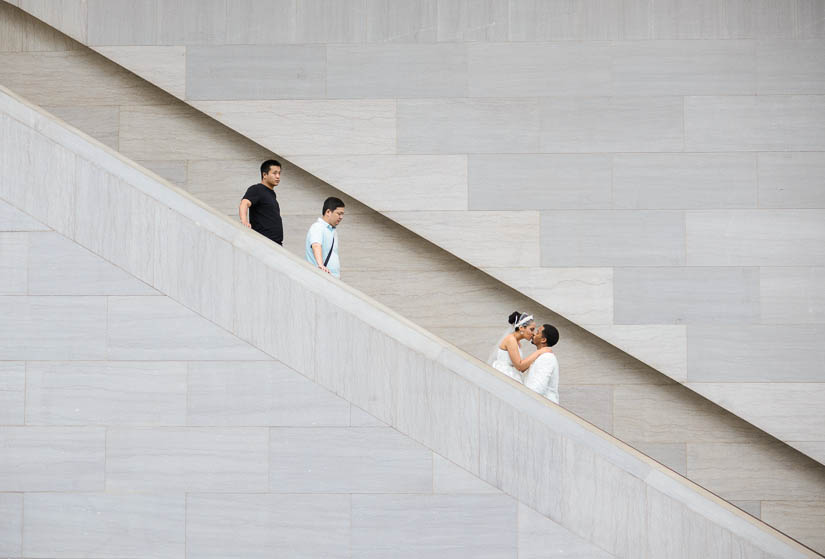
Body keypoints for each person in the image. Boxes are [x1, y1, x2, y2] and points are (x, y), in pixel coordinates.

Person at [490, 311, 552, 383]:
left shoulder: (517, 342)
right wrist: (539, 352)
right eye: (531, 329)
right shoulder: (511, 340)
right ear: (521, 328)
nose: (533, 333)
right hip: (504, 374)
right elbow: (520, 366)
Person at [239, 159, 284, 246]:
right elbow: (244, 203)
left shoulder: (271, 194)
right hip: (264, 243)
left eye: (279, 173)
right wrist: (244, 221)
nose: (278, 176)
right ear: (264, 175)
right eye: (274, 173)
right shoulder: (257, 189)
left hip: (275, 244)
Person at [305, 197, 345, 278]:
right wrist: (321, 265)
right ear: (328, 212)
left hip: (332, 278)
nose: (341, 217)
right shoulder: (318, 227)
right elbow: (316, 245)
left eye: (342, 214)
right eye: (339, 213)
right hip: (321, 277)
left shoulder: (332, 231)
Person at [525, 324, 560, 404]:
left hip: (543, 407)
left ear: (543, 340)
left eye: (537, 332)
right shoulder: (541, 355)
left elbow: (538, 387)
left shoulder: (547, 358)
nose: (533, 334)